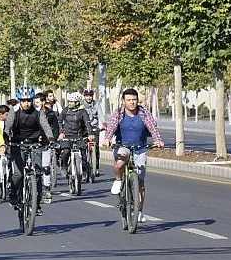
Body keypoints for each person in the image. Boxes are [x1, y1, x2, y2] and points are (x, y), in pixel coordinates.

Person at [102, 88, 164, 223]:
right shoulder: (118, 113)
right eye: (129, 100)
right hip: (122, 146)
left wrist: (157, 140)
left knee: (140, 182)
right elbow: (112, 127)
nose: (132, 103)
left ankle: (139, 211)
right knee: (119, 163)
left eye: (134, 100)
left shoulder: (144, 112)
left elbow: (152, 127)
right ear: (123, 101)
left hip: (140, 148)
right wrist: (107, 139)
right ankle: (118, 180)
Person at [4, 87, 55, 216]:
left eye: (28, 100)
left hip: (35, 144)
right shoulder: (14, 111)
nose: (26, 103)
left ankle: (36, 204)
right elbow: (7, 128)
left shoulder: (38, 111)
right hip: (17, 144)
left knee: (37, 174)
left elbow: (46, 126)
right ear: (19, 101)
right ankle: (14, 194)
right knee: (18, 174)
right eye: (23, 101)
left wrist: (50, 139)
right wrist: (5, 140)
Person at [58, 92, 95, 181]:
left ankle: (84, 171)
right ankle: (64, 167)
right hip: (67, 136)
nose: (69, 103)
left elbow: (87, 123)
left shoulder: (83, 112)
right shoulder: (65, 110)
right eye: (69, 101)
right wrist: (61, 132)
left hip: (79, 136)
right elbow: (59, 121)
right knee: (66, 151)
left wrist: (90, 134)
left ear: (77, 103)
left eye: (71, 102)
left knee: (83, 153)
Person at [39, 93, 60, 203]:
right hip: (31, 145)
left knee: (45, 167)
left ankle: (46, 189)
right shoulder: (28, 114)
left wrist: (53, 140)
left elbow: (55, 128)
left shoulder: (51, 114)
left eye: (38, 102)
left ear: (43, 102)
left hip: (46, 143)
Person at [83, 89, 105, 177]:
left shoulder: (96, 104)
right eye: (87, 96)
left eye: (90, 96)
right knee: (82, 149)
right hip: (84, 129)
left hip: (94, 128)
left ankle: (96, 168)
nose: (89, 97)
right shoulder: (81, 105)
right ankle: (83, 170)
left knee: (96, 148)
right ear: (84, 96)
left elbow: (101, 115)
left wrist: (104, 124)